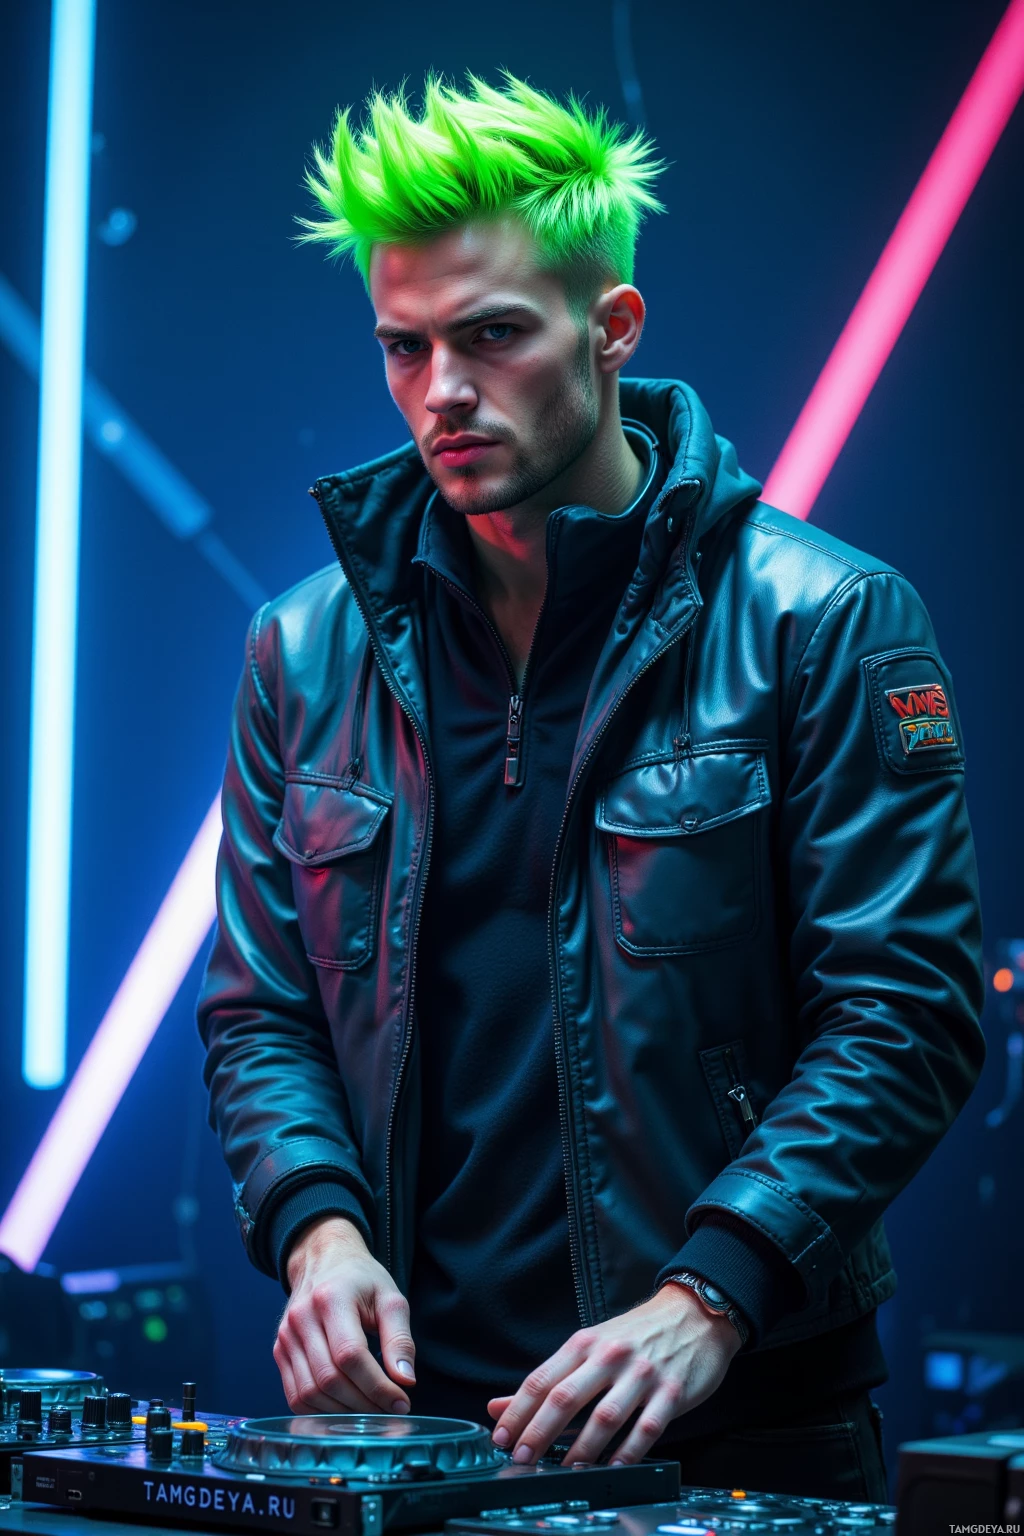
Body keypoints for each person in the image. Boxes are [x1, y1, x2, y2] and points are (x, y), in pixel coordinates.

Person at [196, 74, 985, 1504]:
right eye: (405, 346)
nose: (443, 391)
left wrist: (711, 1297)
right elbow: (261, 1012)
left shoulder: (827, 620)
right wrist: (316, 1232)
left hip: (737, 1437)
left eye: (492, 336)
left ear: (612, 329)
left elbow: (907, 1013)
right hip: (405, 1445)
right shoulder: (301, 653)